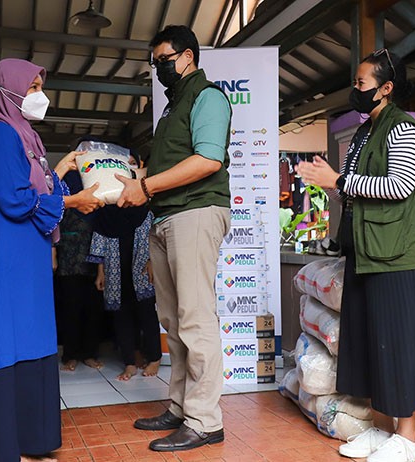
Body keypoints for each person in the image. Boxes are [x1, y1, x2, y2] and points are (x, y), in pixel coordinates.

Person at [296, 49, 415, 462]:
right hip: (365, 255)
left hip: (399, 258)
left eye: (361, 84)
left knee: (398, 347)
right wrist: (334, 183)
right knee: (371, 347)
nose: (355, 90)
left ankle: (409, 440)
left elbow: (399, 185)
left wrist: (340, 179)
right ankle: (384, 430)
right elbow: (355, 188)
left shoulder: (405, 130)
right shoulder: (365, 132)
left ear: (386, 88)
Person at [0, 58, 103, 462]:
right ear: (7, 90)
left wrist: (59, 172)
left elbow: (39, 187)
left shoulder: (28, 137)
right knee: (4, 335)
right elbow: (13, 198)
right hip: (6, 249)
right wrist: (72, 200)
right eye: (33, 87)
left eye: (40, 86)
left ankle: (31, 441)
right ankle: (5, 448)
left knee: (33, 337)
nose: (40, 96)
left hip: (30, 250)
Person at [116, 25, 232, 452]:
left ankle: (206, 420)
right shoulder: (171, 106)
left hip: (197, 212)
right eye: (155, 61)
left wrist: (144, 188)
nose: (158, 67)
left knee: (197, 319)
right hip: (166, 217)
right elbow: (173, 165)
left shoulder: (208, 97)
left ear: (187, 56)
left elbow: (207, 160)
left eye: (163, 58)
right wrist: (136, 179)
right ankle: (182, 407)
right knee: (174, 320)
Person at [88, 153, 161, 381]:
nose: (127, 166)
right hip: (114, 269)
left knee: (147, 312)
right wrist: (100, 271)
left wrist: (151, 260)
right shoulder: (107, 202)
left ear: (137, 165)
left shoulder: (145, 197)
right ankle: (129, 362)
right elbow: (99, 235)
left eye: (131, 162)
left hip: (141, 267)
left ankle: (155, 357)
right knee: (121, 315)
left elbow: (153, 231)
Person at [54, 170, 104, 372]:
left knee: (93, 311)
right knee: (70, 310)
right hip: (68, 262)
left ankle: (90, 354)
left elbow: (102, 233)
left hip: (93, 263)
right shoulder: (63, 196)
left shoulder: (97, 199)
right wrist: (54, 255)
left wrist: (101, 269)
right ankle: (70, 355)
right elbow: (53, 227)